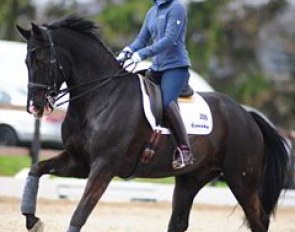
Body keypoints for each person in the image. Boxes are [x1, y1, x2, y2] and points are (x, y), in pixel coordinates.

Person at [117, 0, 194, 169]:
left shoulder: (176, 8)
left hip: (175, 67)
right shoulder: (152, 12)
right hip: (156, 68)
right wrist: (128, 50)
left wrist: (142, 54)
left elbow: (169, 39)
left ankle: (184, 150)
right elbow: (142, 39)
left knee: (166, 104)